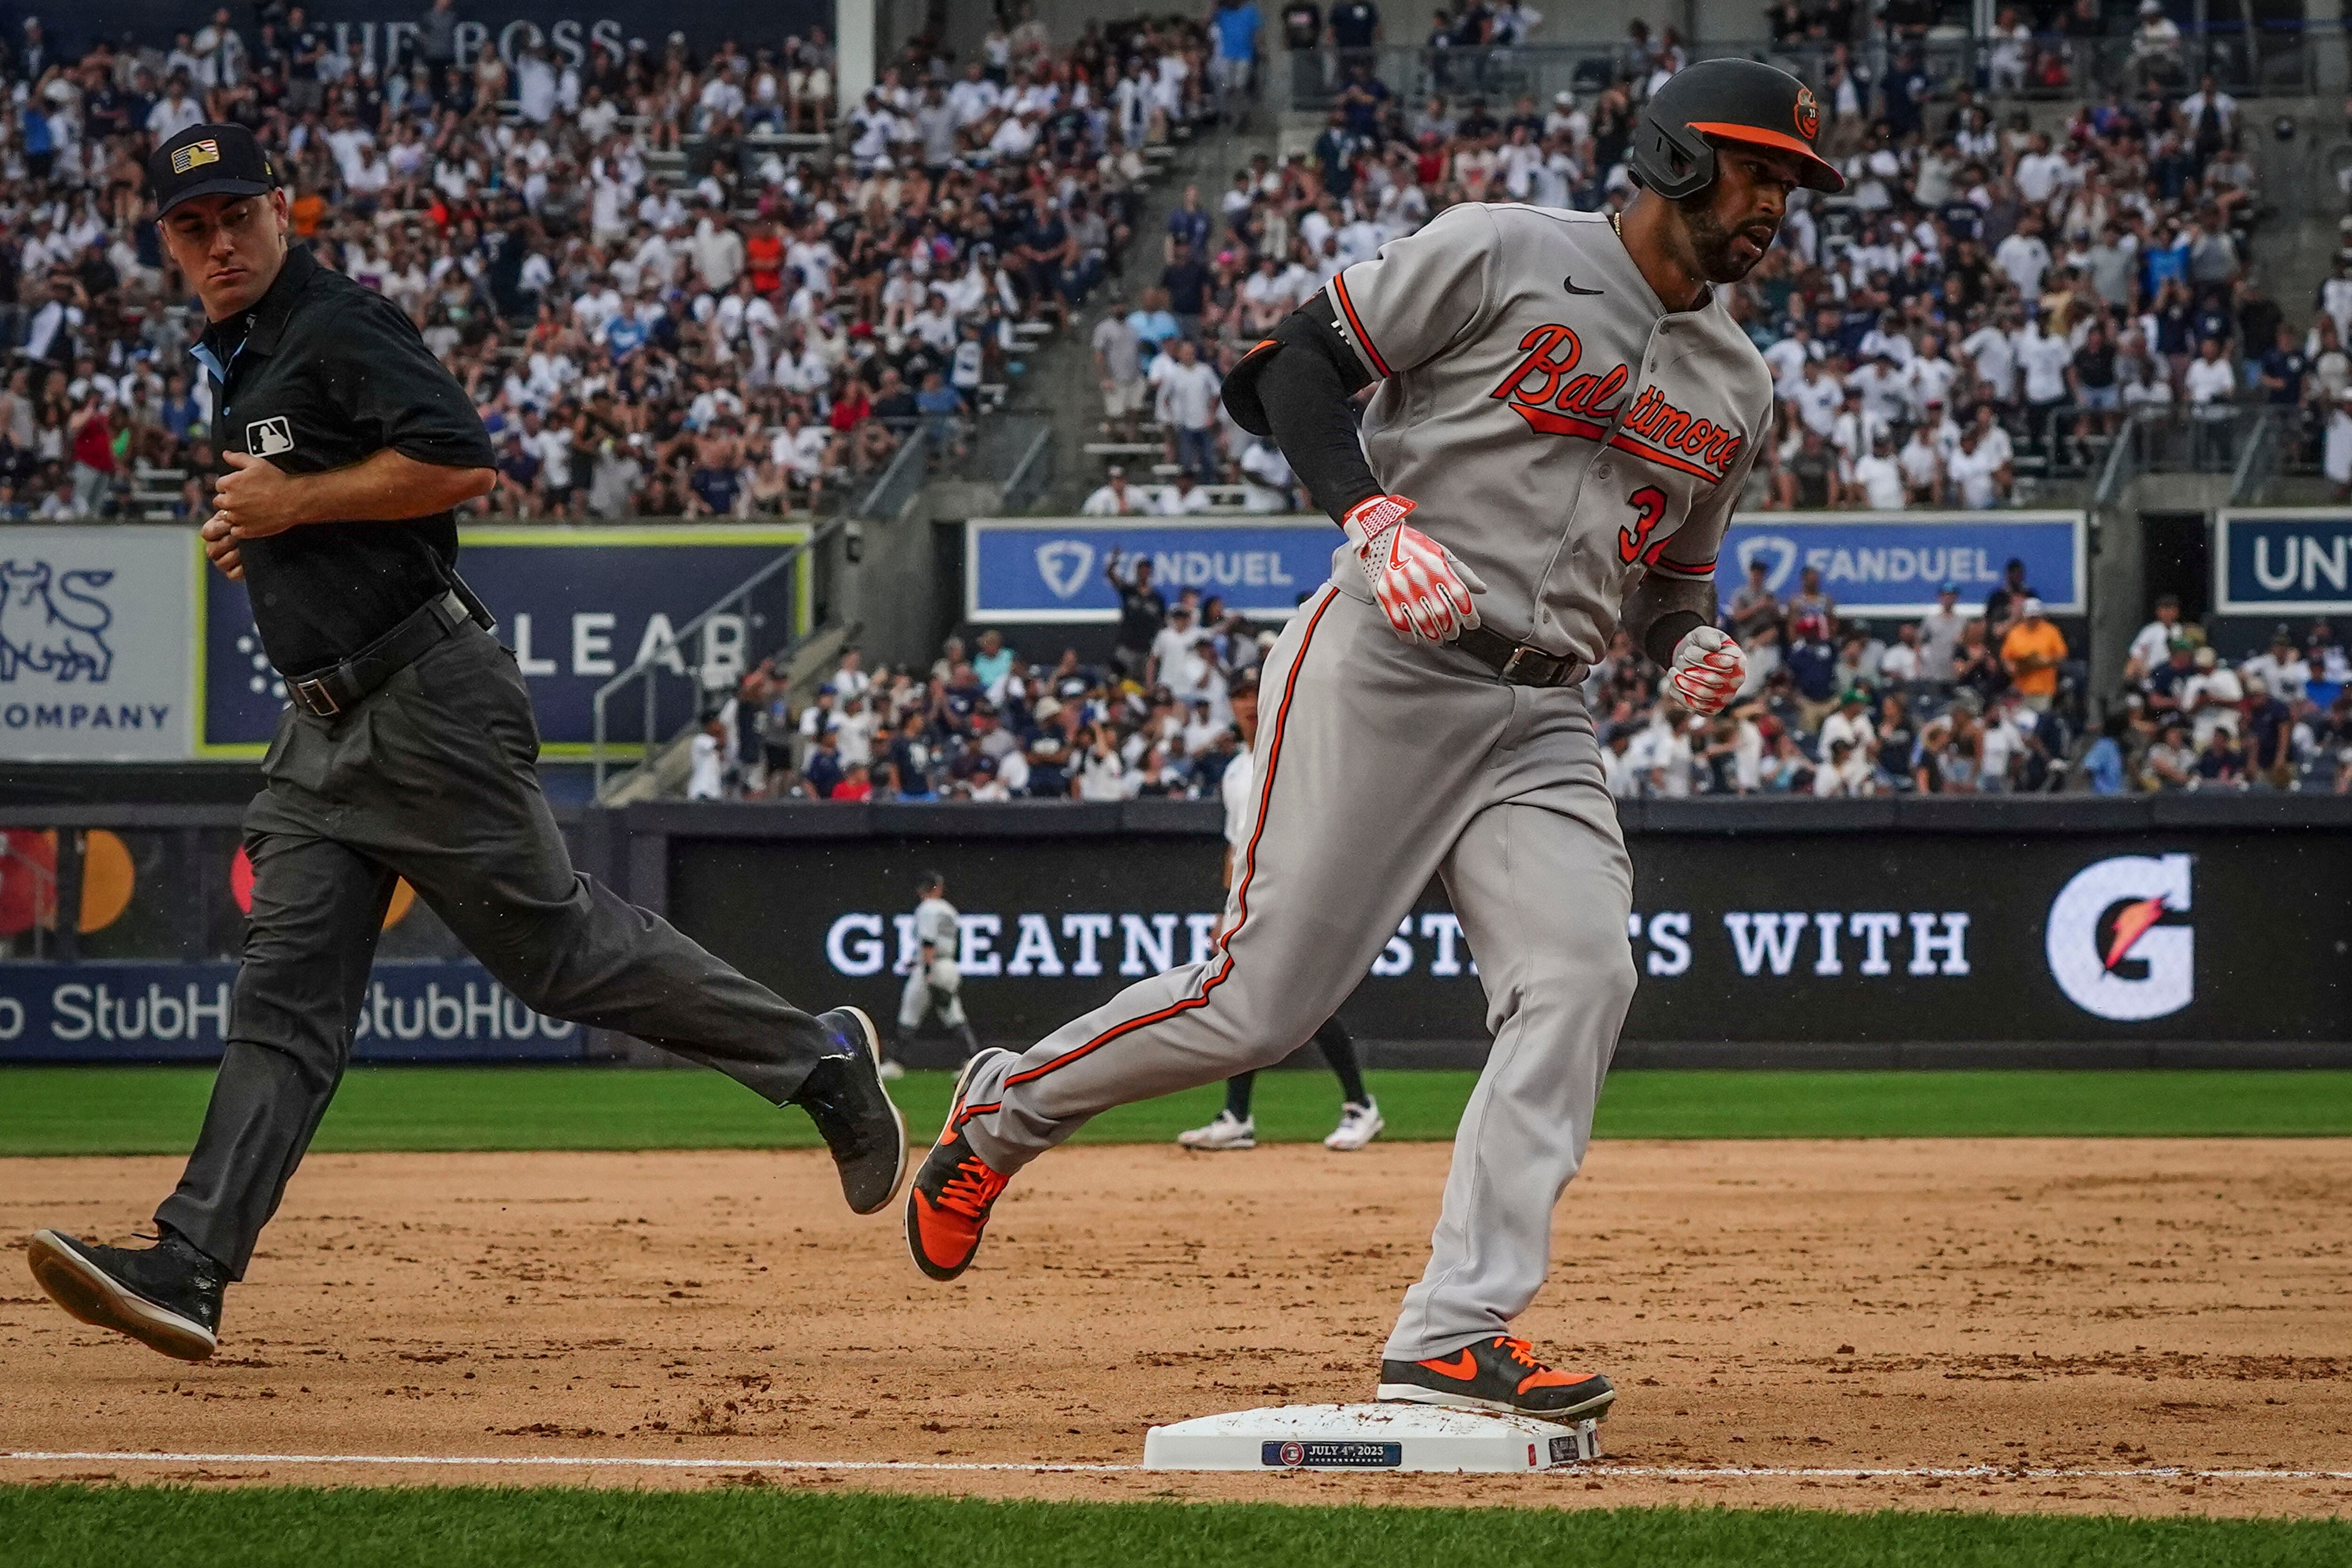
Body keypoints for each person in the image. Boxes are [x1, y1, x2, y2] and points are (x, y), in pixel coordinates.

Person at [903, 60, 1832, 1421]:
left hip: (1545, 710)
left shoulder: (1737, 381)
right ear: (1675, 156)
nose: (1774, 204)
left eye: (1793, 185)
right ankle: (1001, 1112)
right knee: (1259, 1007)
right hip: (1386, 664)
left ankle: (1456, 1326)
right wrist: (1367, 517)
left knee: (1579, 976)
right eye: (1756, 170)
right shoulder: (1503, 246)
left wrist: (1689, 633)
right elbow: (1284, 371)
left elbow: (1673, 572)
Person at [24, 126, 908, 1365]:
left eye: (236, 214)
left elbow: (461, 460)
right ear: (165, 239)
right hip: (325, 729)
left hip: (424, 700)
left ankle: (819, 1061)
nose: (218, 241)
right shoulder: (253, 352)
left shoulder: (334, 321)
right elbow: (325, 491)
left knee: (558, 955)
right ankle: (192, 1266)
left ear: (284, 211)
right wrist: (267, 535)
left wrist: (295, 505)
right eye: (191, 225)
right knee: (284, 1002)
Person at [1175, 669, 1382, 1154]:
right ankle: (1237, 1116)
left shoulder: (1291, 750)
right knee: (1248, 1002)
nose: (1247, 703)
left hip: (1297, 891)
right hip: (1251, 899)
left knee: (1297, 1005)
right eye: (1239, 694)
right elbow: (1235, 847)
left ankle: (1359, 1105)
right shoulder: (1233, 770)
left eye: (1253, 693)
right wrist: (1225, 911)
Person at [893, 871, 983, 1076]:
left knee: (910, 1013)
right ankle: (972, 1059)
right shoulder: (948, 909)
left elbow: (929, 941)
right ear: (938, 888)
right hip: (948, 965)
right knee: (953, 1014)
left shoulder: (927, 909)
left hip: (931, 966)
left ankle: (897, 1062)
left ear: (922, 889)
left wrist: (926, 970)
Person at [1999, 596, 2067, 712]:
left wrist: (2044, 661)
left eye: (2036, 616)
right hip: (2021, 689)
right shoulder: (2015, 633)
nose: (2033, 620)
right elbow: (2006, 657)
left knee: (2040, 720)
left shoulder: (2051, 632)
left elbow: (2062, 655)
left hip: (2044, 689)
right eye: (2030, 617)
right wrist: (2011, 667)